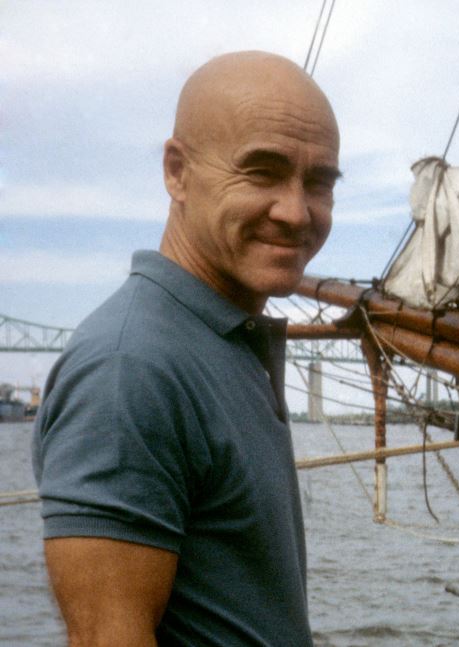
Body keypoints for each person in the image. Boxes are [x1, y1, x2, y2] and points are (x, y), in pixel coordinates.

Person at [32, 50, 340, 646]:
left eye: (320, 183)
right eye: (263, 172)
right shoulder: (132, 367)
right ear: (177, 172)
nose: (296, 211)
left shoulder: (215, 341)